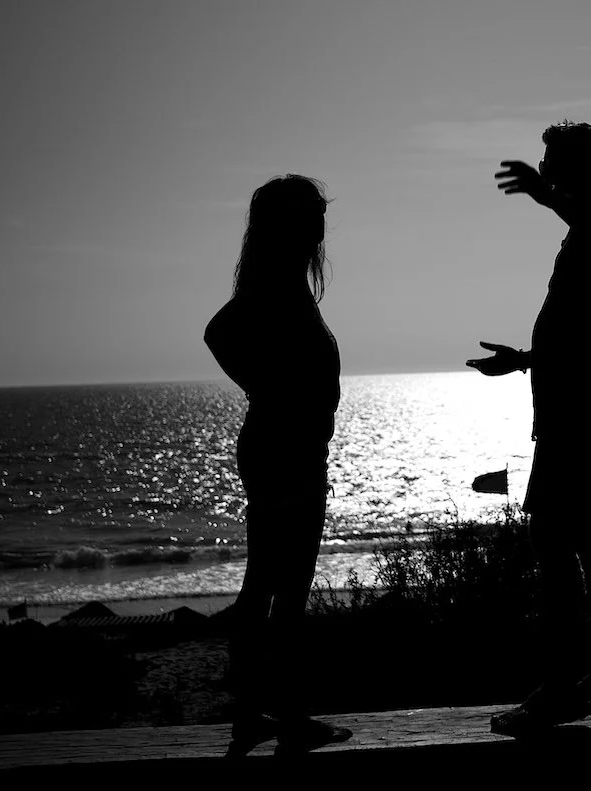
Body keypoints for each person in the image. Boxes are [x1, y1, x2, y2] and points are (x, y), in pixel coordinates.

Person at [467, 121, 591, 739]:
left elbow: (587, 336)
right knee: (582, 540)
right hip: (573, 407)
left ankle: (565, 686)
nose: (543, 171)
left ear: (576, 169)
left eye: (551, 162)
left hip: (580, 412)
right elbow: (580, 333)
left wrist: (541, 194)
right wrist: (523, 360)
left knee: (560, 541)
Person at [204, 174, 352, 756]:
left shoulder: (283, 283)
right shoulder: (275, 286)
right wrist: (266, 388)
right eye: (312, 216)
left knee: (268, 583)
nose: (320, 227)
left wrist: (268, 389)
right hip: (284, 451)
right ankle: (286, 717)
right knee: (283, 588)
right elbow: (218, 333)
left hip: (285, 447)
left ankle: (254, 713)